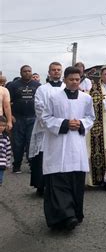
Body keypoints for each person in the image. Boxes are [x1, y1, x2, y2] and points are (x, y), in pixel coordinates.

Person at [41, 66, 95, 230]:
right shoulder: (53, 97)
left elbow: (90, 118)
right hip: (58, 145)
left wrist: (81, 123)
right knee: (58, 181)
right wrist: (64, 123)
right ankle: (64, 216)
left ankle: (74, 214)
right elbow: (45, 118)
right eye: (71, 79)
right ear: (65, 80)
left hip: (76, 145)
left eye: (77, 80)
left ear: (80, 80)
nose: (74, 82)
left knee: (75, 180)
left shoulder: (86, 99)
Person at [29, 62, 65, 196]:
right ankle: (41, 185)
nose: (56, 72)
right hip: (45, 129)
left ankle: (59, 186)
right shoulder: (42, 89)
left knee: (60, 156)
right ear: (49, 72)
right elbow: (39, 107)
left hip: (62, 128)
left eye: (58, 70)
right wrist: (52, 122)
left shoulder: (66, 87)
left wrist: (61, 123)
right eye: (53, 70)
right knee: (43, 157)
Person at [8, 65, 41, 173]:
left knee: (31, 143)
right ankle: (16, 165)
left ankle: (32, 165)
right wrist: (10, 116)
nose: (27, 73)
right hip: (18, 118)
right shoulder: (13, 85)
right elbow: (7, 102)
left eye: (29, 71)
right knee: (17, 144)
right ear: (21, 72)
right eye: (25, 71)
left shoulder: (38, 86)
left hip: (33, 118)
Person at [0, 116, 12, 186]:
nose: (1, 127)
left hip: (2, 162)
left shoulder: (6, 137)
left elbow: (8, 151)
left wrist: (8, 163)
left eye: (3, 125)